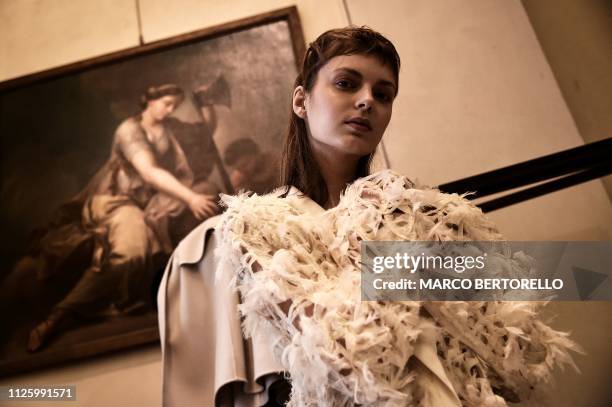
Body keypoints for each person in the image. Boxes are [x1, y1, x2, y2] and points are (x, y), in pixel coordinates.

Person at [158, 28, 578, 406]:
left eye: (383, 94)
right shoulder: (257, 224)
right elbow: (345, 356)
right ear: (301, 101)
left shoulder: (416, 210)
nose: (366, 101)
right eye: (346, 83)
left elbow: (514, 334)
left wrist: (397, 222)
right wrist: (383, 235)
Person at [24, 84, 220, 352]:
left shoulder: (170, 127)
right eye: (166, 103)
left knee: (208, 196)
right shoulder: (129, 131)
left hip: (152, 201)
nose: (170, 109)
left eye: (175, 105)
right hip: (117, 202)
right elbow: (149, 172)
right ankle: (61, 315)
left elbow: (203, 134)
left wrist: (205, 102)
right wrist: (190, 198)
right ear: (149, 101)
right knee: (132, 252)